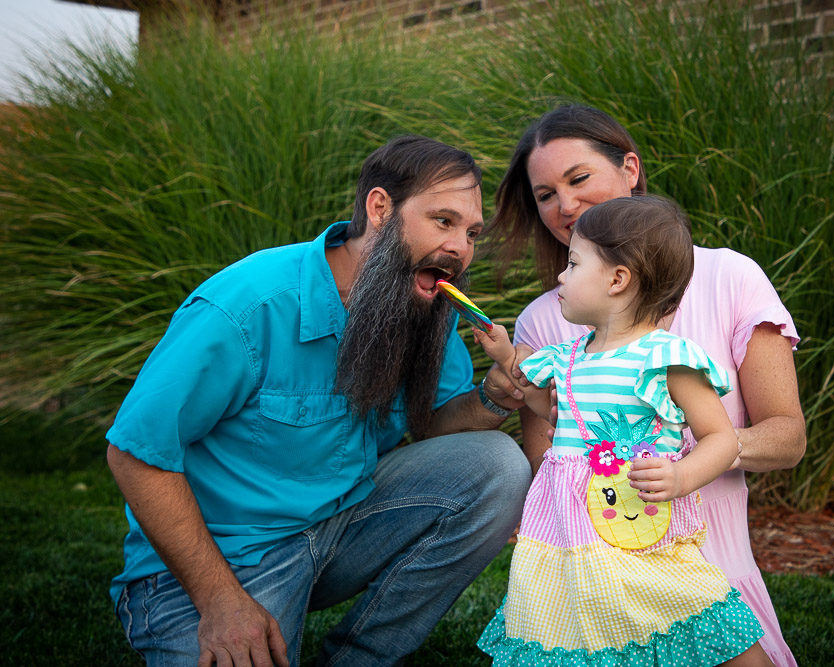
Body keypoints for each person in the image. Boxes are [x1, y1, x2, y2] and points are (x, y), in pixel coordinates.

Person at [105, 135, 532, 667]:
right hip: (228, 559)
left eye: (471, 233)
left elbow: (433, 429)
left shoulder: (425, 307)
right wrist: (221, 602)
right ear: (380, 209)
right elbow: (135, 453)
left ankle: (362, 657)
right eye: (442, 221)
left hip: (339, 527)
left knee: (497, 466)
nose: (460, 248)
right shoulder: (250, 304)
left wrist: (495, 395)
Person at [491, 105, 806, 666]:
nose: (564, 206)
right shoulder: (547, 323)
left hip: (700, 569)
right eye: (544, 194)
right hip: (592, 577)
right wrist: (514, 379)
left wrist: (687, 460)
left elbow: (787, 438)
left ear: (630, 169)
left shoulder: (728, 278)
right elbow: (553, 462)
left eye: (578, 178)